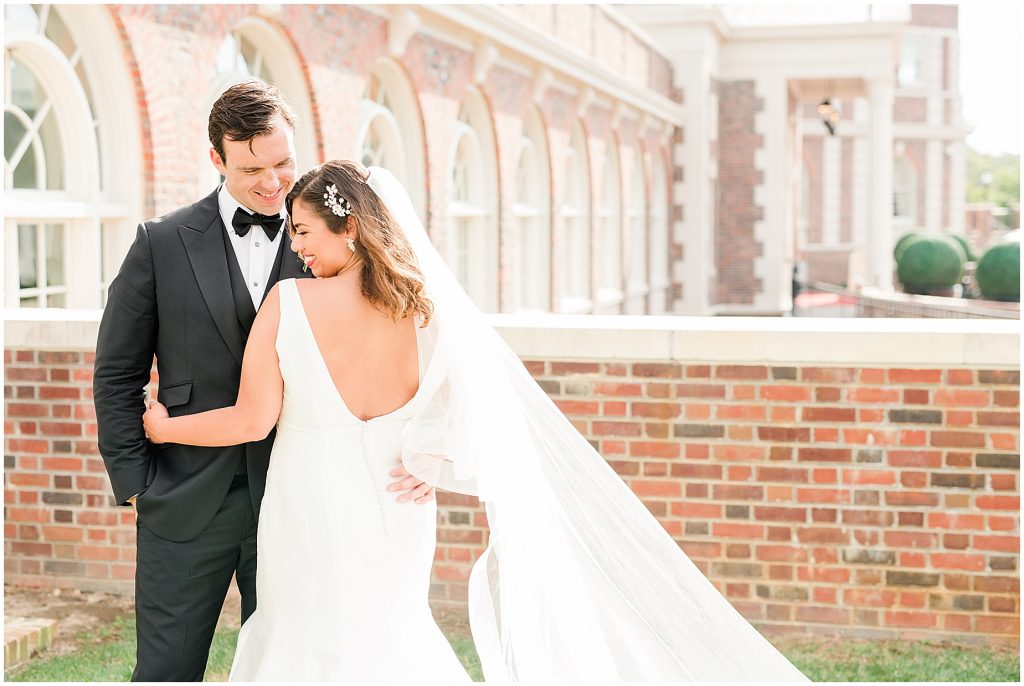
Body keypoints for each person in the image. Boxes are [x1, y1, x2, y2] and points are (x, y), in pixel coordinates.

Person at [143, 160, 809, 682]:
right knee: (393, 630)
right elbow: (475, 404)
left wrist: (164, 428)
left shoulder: (288, 302)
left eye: (306, 232)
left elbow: (252, 420)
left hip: (308, 499)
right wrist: (429, 458)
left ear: (348, 227)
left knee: (304, 634)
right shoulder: (420, 310)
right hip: (398, 499)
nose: (298, 248)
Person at [93, 84, 434, 681]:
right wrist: (137, 482)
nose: (273, 182)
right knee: (166, 671)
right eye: (253, 168)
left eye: (283, 163)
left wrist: (427, 453)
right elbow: (116, 372)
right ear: (217, 160)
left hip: (302, 505)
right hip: (184, 500)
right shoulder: (161, 244)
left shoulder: (332, 244)